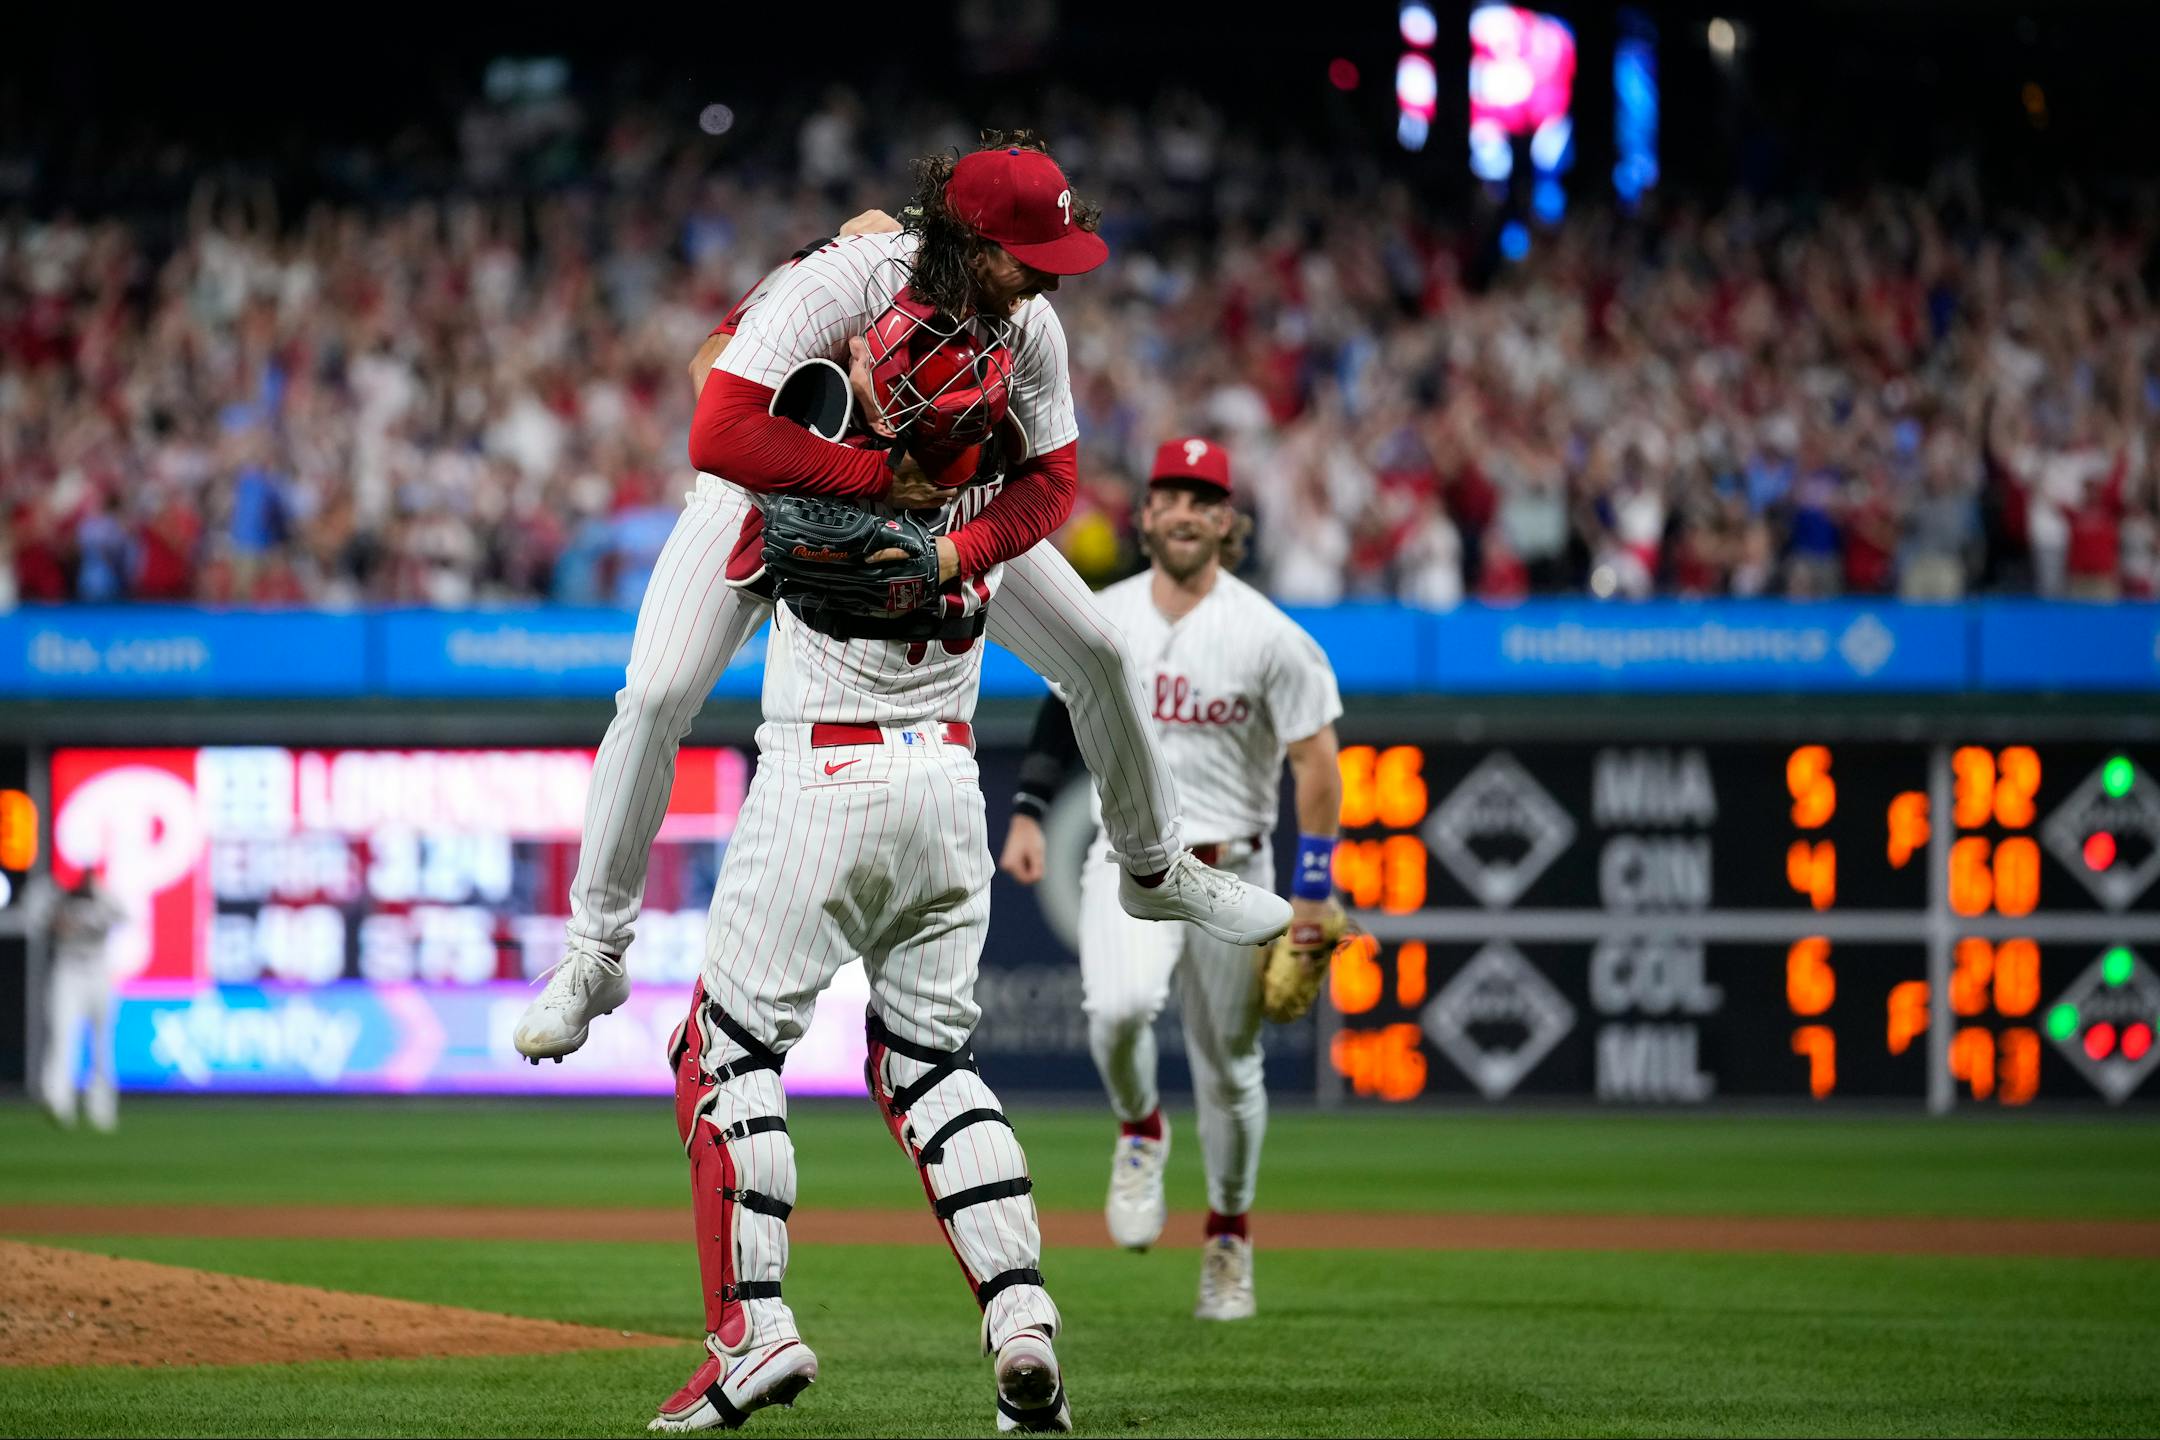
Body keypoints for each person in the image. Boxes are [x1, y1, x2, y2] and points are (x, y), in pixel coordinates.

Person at [514, 135, 1289, 1063]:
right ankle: (596, 952)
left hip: (931, 502)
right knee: (653, 696)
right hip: (769, 490)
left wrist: (964, 550)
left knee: (1100, 651)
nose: (1046, 281)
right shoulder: (847, 277)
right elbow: (716, 425)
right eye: (1026, 259)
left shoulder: (1030, 322)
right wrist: (874, 477)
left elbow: (1051, 484)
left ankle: (1155, 866)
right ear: (967, 243)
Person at [644, 336, 1078, 1435]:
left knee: (725, 1050)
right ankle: (1020, 1316)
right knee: (932, 1066)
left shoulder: (811, 467)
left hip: (823, 769)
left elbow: (729, 404)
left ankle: (752, 1330)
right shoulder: (993, 485)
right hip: (948, 773)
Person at [1000, 436, 1344, 1321]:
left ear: (1228, 521)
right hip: (1129, 861)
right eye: (1171, 496)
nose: (1186, 511)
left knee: (1231, 1072)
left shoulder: (1271, 634)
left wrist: (1311, 886)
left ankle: (1228, 1240)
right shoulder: (1104, 612)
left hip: (1238, 867)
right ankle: (1141, 1128)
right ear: (1145, 515)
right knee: (1117, 1016)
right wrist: (1032, 810)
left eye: (1204, 498)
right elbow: (1057, 705)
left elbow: (1316, 761)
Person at [27, 869, 129, 1132]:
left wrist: (97, 901)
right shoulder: (55, 895)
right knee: (62, 1037)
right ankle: (58, 1101)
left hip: (98, 969)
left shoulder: (103, 895)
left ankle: (101, 1107)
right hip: (68, 968)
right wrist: (56, 914)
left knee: (101, 1042)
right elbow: (34, 919)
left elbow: (125, 917)